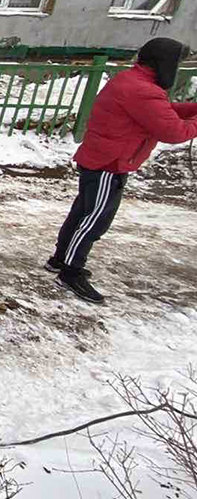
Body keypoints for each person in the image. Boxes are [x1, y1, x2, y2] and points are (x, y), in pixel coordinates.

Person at [47, 38, 197, 304]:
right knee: (95, 220)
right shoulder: (142, 90)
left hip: (101, 159)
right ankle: (70, 272)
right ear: (164, 63)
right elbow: (173, 131)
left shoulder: (134, 82)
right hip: (109, 164)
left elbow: (163, 112)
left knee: (83, 213)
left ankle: (60, 259)